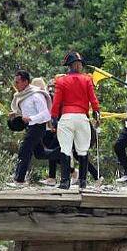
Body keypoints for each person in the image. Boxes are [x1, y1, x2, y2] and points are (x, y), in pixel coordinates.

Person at [50, 51, 100, 190]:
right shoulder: (87, 80)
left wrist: (54, 118)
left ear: (69, 66)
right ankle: (83, 182)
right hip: (82, 118)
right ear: (79, 65)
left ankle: (65, 182)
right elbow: (93, 100)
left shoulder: (61, 81)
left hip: (66, 118)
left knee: (65, 150)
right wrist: (97, 113)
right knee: (83, 150)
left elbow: (56, 102)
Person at [8, 71, 59, 185]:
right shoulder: (22, 95)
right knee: (40, 153)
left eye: (17, 82)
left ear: (25, 82)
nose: (15, 84)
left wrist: (31, 118)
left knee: (24, 151)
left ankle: (19, 180)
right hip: (30, 127)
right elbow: (27, 112)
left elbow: (46, 114)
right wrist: (15, 114)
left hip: (38, 127)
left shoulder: (36, 95)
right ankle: (61, 154)